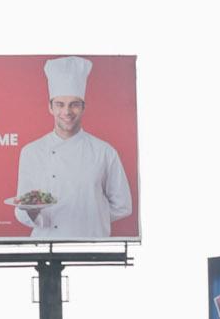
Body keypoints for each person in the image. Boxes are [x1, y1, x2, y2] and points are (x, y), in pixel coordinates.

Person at [9, 56, 134, 240]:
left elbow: (123, 206)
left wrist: (89, 220)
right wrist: (33, 214)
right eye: (60, 104)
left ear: (83, 107)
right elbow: (21, 210)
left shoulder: (104, 152)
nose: (67, 112)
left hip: (91, 245)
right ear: (50, 107)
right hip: (46, 245)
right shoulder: (31, 152)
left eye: (74, 104)